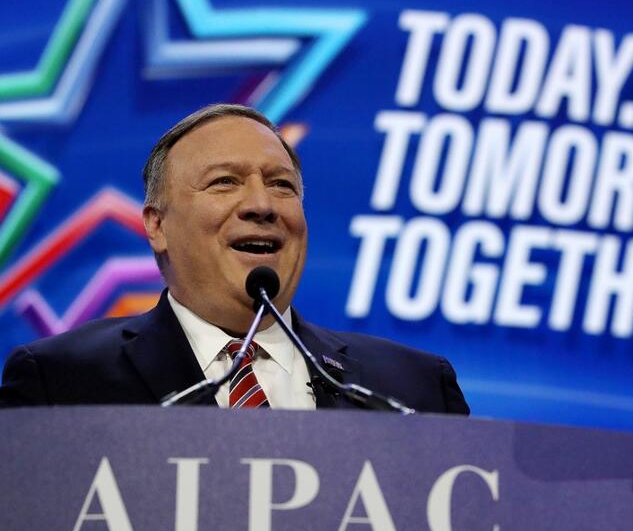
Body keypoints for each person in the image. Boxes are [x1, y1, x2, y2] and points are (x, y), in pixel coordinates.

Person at [0, 104, 469, 413]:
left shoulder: (415, 390)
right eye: (224, 181)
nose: (261, 205)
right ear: (157, 225)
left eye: (281, 185)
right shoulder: (60, 385)